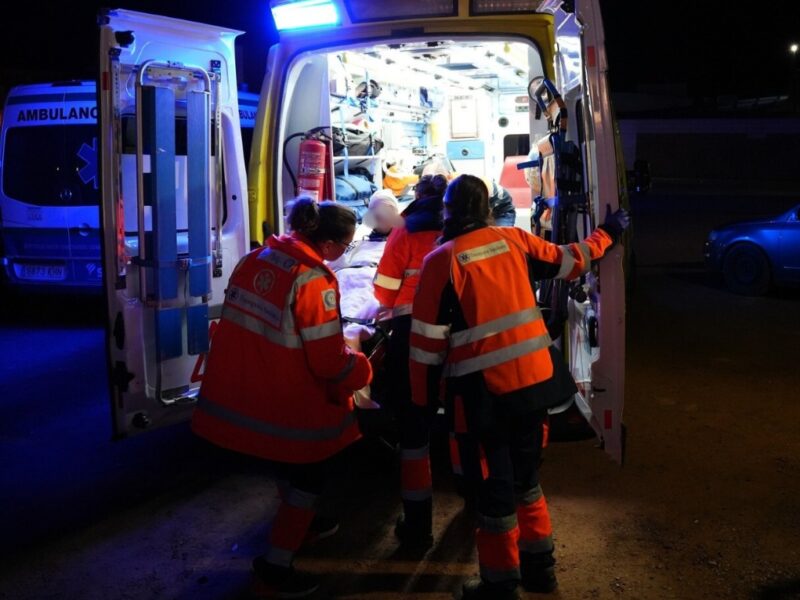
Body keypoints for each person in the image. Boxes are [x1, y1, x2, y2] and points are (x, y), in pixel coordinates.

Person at [408, 174, 629, 599]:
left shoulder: (441, 261)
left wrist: (421, 402)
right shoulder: (514, 239)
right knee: (527, 480)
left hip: (483, 397)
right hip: (535, 385)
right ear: (488, 209)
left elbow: (425, 346)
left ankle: (499, 583)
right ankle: (540, 570)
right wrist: (610, 232)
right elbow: (574, 259)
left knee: (493, 488)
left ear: (447, 212)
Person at [191, 197, 373, 599]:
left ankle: (304, 523)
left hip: (241, 395)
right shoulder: (313, 280)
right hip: (283, 405)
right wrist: (362, 367)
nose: (344, 254)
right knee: (309, 476)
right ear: (327, 245)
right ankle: (275, 570)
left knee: (284, 469)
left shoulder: (257, 258)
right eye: (345, 247)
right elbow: (328, 362)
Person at [372, 173, 448, 547]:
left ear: (417, 195)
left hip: (411, 331)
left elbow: (385, 288)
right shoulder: (464, 229)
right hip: (457, 334)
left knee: (413, 425)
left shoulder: (405, 231)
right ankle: (474, 494)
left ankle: (417, 528)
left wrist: (389, 306)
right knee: (465, 418)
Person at [421, 158, 516, 226]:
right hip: (480, 208)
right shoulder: (436, 188)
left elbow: (479, 212)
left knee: (498, 242)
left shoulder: (465, 185)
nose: (434, 184)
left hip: (500, 208)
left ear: (449, 177)